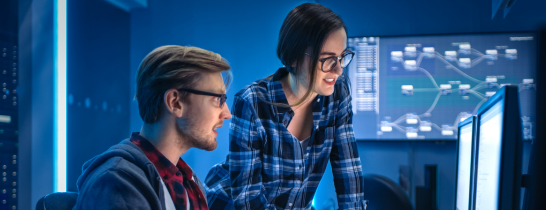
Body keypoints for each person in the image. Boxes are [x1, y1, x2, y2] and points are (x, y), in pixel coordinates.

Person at [204, 3, 366, 210]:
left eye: (342, 57)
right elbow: (247, 201)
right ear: (293, 58)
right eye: (326, 59)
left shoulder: (338, 92)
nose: (338, 70)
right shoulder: (252, 102)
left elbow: (348, 170)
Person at [73, 45, 232, 209]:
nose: (227, 114)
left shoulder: (187, 182)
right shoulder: (118, 183)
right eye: (218, 99)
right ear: (174, 102)